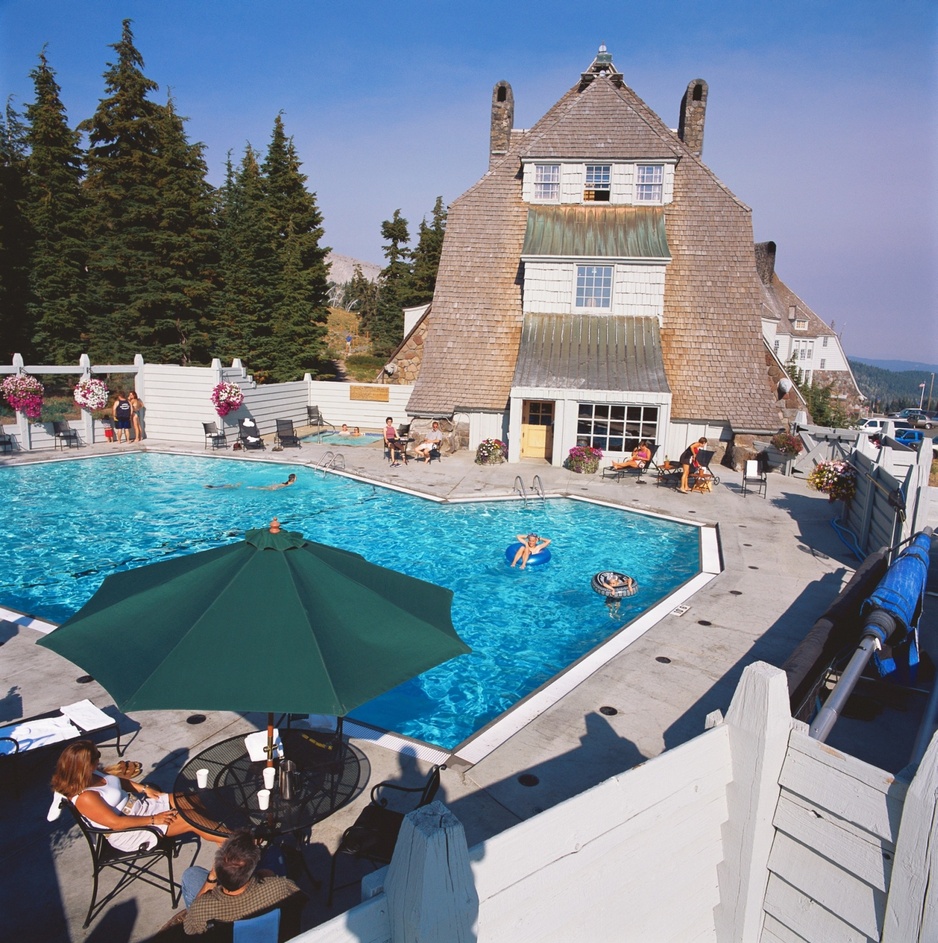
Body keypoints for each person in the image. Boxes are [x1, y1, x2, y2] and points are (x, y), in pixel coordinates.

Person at [51, 740, 223, 852]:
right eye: (96, 757)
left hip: (140, 808)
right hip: (130, 831)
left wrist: (144, 788)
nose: (99, 759)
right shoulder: (85, 797)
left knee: (188, 798)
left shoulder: (92, 773)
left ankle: (219, 838)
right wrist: (154, 819)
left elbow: (116, 782)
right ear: (83, 766)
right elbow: (116, 823)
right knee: (190, 818)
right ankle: (232, 842)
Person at [182, 829, 304, 935]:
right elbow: (300, 900)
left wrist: (212, 876)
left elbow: (189, 929)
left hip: (226, 931)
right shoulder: (280, 887)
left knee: (191, 875)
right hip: (271, 933)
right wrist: (261, 874)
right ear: (251, 871)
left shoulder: (202, 909)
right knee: (274, 852)